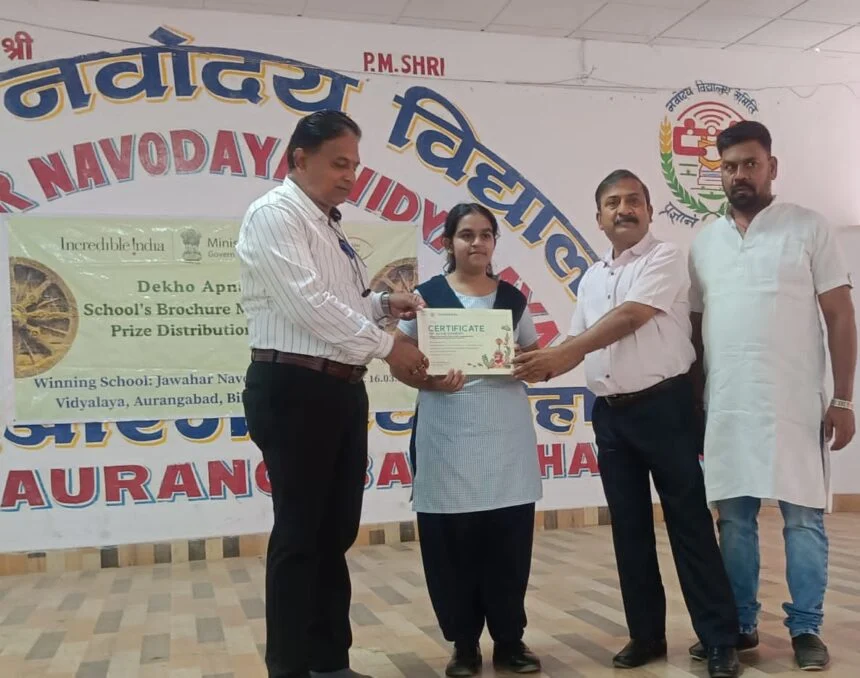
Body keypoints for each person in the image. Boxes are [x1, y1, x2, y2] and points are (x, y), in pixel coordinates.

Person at [513, 170, 740, 678]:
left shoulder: (665, 257)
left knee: (689, 525)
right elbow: (577, 342)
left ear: (650, 210)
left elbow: (631, 316)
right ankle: (646, 635)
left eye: (633, 200)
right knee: (629, 530)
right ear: (598, 218)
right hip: (611, 416)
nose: (624, 209)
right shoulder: (592, 277)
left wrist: (563, 353)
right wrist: (529, 363)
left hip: (666, 409)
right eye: (612, 203)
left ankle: (719, 639)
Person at [236, 110, 429, 678]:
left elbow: (339, 304)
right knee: (300, 533)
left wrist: (382, 305)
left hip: (339, 387)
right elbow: (307, 305)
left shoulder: (327, 223)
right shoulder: (275, 214)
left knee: (335, 530)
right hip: (295, 387)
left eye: (355, 165)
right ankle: (290, 667)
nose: (350, 176)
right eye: (339, 163)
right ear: (300, 158)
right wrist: (388, 345)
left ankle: (328, 662)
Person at [687, 120, 857, 671]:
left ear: (772, 167)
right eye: (730, 166)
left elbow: (840, 315)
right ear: (720, 173)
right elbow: (695, 329)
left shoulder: (808, 227)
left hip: (796, 404)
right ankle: (740, 624)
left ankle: (806, 627)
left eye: (750, 164)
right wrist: (696, 401)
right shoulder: (704, 242)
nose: (740, 174)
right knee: (734, 523)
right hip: (728, 405)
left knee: (803, 521)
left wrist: (844, 399)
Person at [389, 203, 543, 677]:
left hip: (505, 437)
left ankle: (510, 641)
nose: (477, 243)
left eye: (485, 235)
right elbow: (399, 359)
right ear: (448, 243)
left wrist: (523, 363)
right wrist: (428, 382)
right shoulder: (425, 298)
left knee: (508, 543)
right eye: (466, 234)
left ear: (494, 242)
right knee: (451, 545)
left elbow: (535, 356)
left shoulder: (513, 299)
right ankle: (464, 645)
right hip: (447, 432)